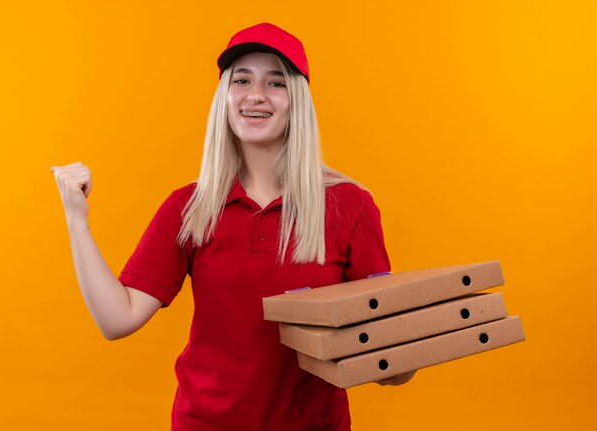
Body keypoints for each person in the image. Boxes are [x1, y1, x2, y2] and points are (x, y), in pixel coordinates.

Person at [51, 22, 415, 431]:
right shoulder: (190, 208)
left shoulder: (348, 205)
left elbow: (388, 358)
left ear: (297, 101)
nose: (256, 94)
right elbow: (117, 320)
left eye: (275, 82)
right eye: (241, 79)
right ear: (224, 97)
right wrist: (76, 219)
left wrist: (404, 352)